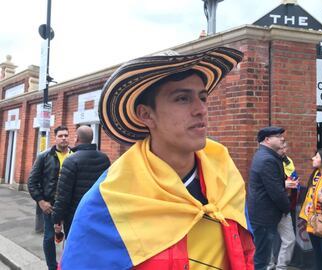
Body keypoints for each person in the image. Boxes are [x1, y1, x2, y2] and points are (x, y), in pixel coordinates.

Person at [59, 47, 255, 269]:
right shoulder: (111, 200)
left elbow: (245, 252)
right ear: (146, 114)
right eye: (182, 98)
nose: (201, 109)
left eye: (202, 97)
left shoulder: (225, 175)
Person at [52, 125, 110, 238]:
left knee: (74, 247)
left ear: (77, 138)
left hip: (76, 216)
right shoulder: (104, 159)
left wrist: (57, 219)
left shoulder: (71, 161)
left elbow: (63, 196)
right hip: (97, 213)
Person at [28, 125, 71, 270]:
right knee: (48, 237)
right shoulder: (44, 156)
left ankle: (66, 265)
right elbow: (32, 181)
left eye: (66, 135)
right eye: (61, 135)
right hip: (50, 204)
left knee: (71, 237)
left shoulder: (74, 155)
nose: (64, 138)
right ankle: (52, 267)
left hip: (70, 204)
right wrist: (41, 201)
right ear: (55, 137)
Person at [247, 126, 291, 270]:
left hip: (263, 214)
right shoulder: (267, 159)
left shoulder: (266, 155)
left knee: (262, 254)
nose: (282, 138)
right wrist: (287, 208)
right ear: (267, 140)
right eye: (278, 136)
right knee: (262, 258)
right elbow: (276, 191)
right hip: (265, 215)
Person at [268, 142, 298, 270]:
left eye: (285, 147)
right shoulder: (268, 161)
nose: (284, 150)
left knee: (290, 239)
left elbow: (293, 176)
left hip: (285, 205)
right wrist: (283, 184)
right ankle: (269, 265)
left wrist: (293, 181)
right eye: (281, 148)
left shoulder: (288, 161)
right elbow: (268, 184)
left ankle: (281, 266)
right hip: (269, 206)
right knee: (268, 238)